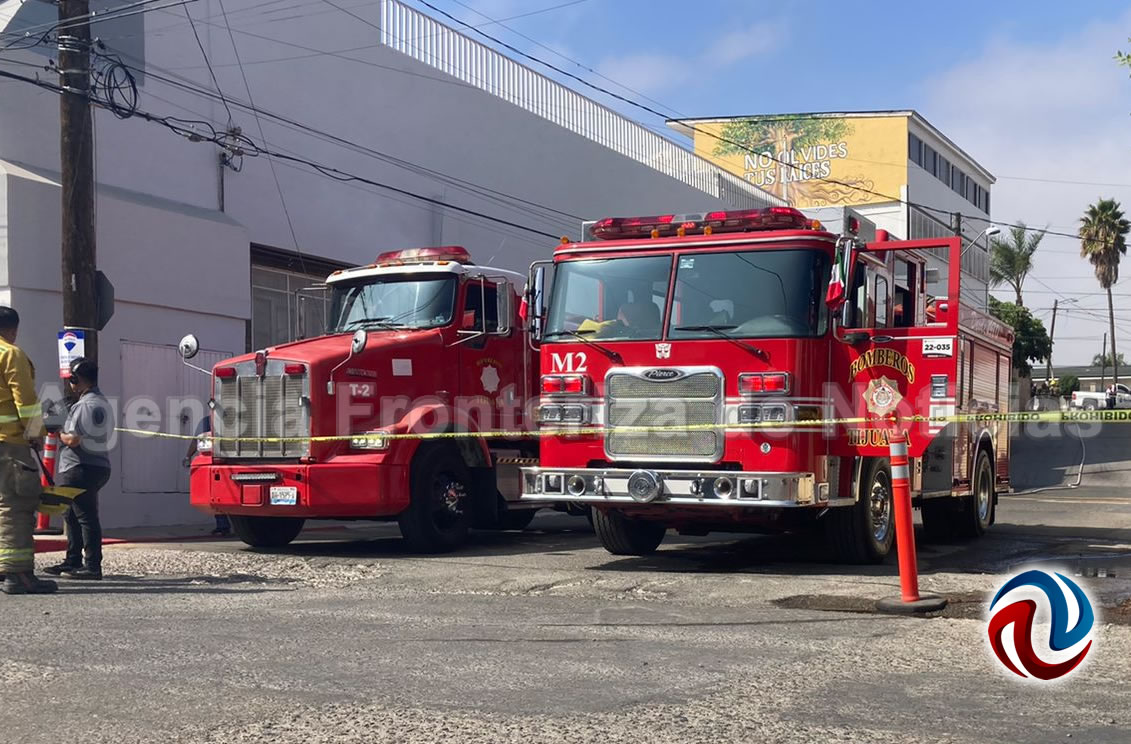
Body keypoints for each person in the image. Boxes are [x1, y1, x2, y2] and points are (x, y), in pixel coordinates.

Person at [0, 306, 56, 594]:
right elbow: (25, 399)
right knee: (16, 507)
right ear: (12, 329)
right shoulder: (10, 354)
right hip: (10, 444)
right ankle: (17, 574)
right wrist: (36, 434)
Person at [45, 358, 113, 581]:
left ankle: (92, 566)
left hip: (79, 466)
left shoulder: (85, 405)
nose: (70, 385)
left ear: (79, 379)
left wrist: (57, 431)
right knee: (72, 514)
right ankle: (73, 560)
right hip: (96, 465)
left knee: (84, 516)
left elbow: (73, 439)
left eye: (72, 380)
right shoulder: (102, 402)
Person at [184, 415, 230, 536]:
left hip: (221, 462)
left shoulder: (207, 421)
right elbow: (196, 440)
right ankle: (223, 525)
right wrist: (188, 456)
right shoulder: (207, 421)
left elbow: (196, 440)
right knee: (219, 495)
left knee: (219, 495)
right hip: (219, 462)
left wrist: (188, 457)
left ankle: (223, 526)